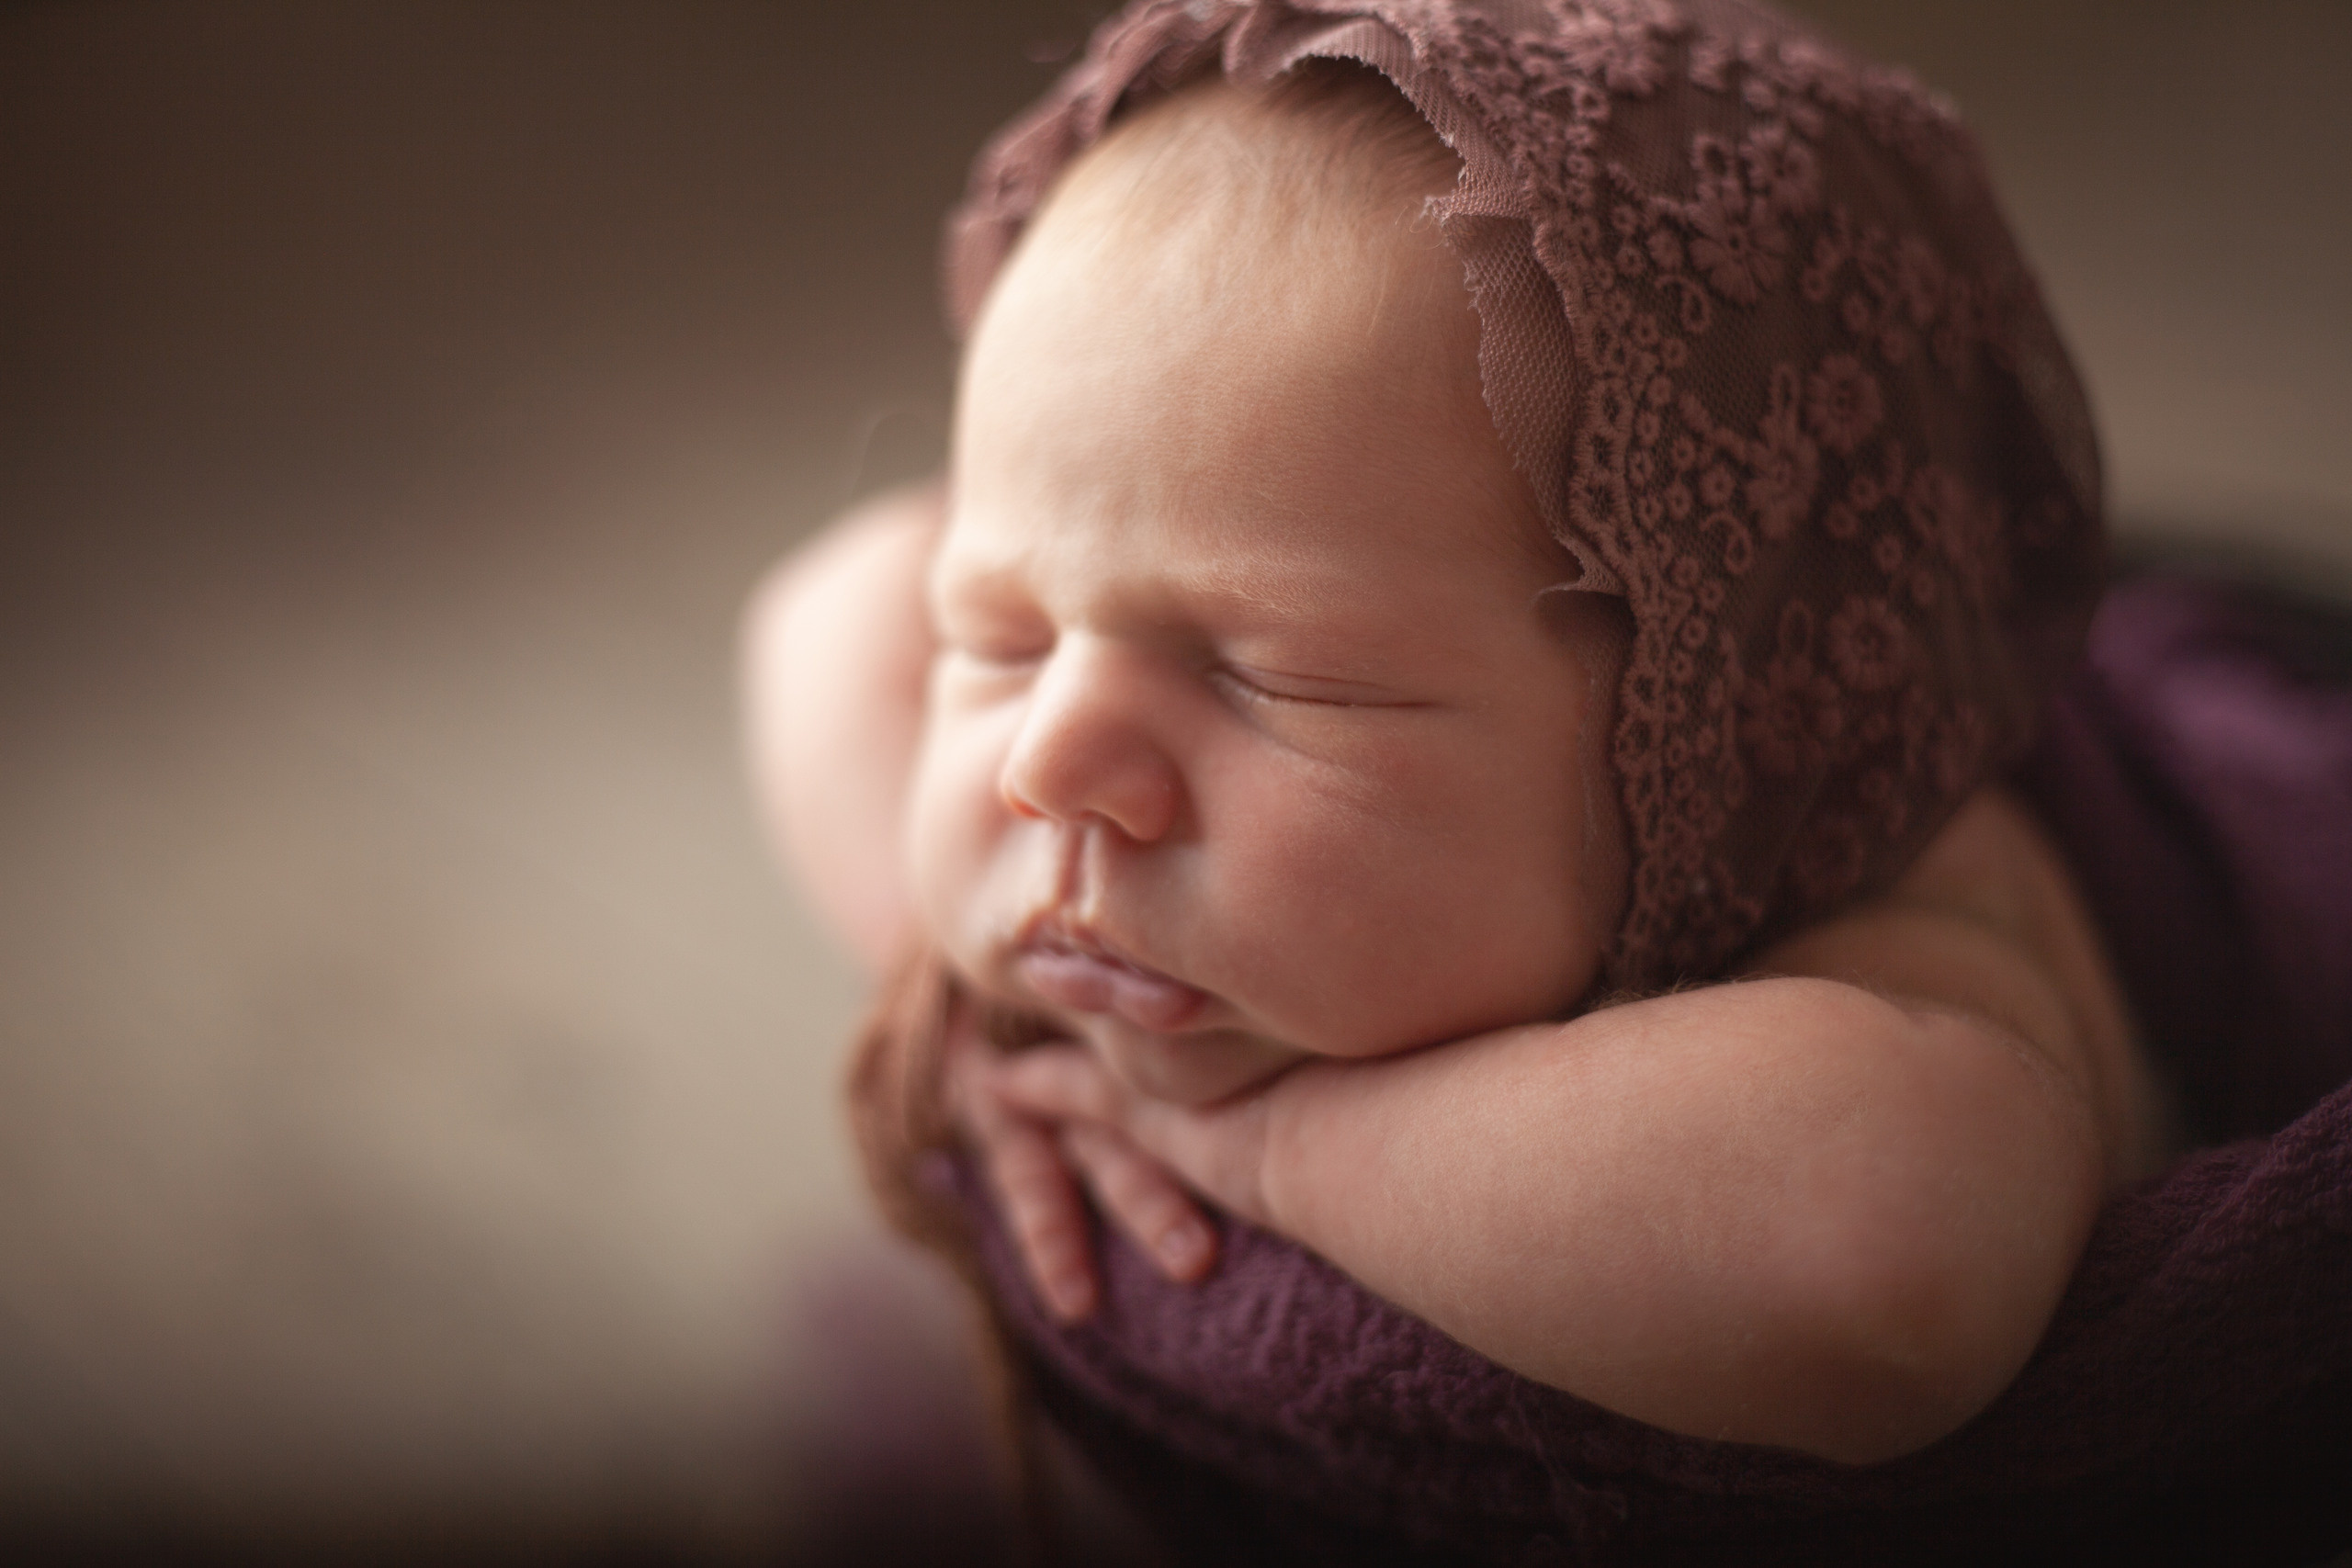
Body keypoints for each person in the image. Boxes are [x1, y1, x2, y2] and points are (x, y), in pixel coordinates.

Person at [745, 2, 2349, 1558]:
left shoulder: (1885, 904)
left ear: (1708, 727)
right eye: (1004, 635)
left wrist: (1258, 1150)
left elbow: (1880, 1263)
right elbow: (821, 614)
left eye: (1271, 675)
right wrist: (945, 996)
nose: (1048, 767)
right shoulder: (1247, 638)